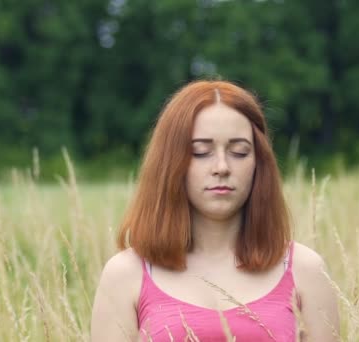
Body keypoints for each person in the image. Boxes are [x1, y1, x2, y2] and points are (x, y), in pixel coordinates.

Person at [91, 80, 339, 341]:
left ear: (259, 163)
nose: (222, 166)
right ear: (170, 162)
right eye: (201, 152)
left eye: (239, 152)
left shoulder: (305, 270)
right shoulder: (126, 275)